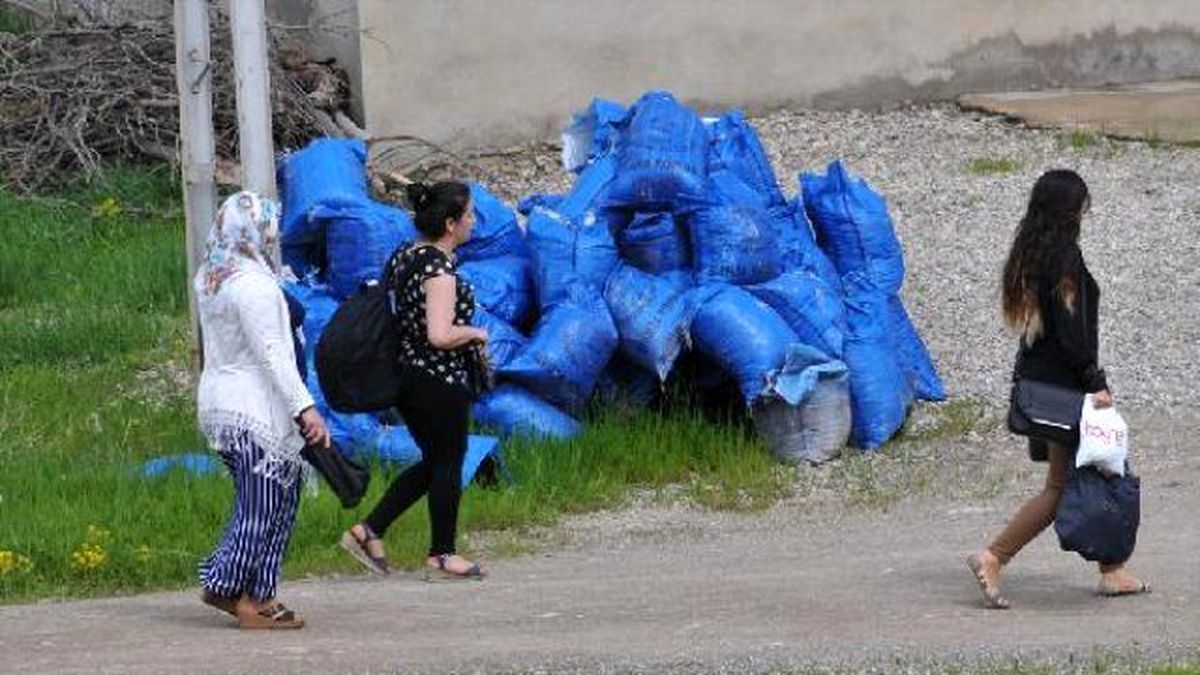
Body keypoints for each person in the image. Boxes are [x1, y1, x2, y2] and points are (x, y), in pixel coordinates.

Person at [967, 169, 1148, 609]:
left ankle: (1112, 568)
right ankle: (994, 556)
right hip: (1066, 390)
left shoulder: (1030, 254)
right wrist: (1096, 382)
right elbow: (1071, 333)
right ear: (1071, 209)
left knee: (1101, 469)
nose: (1087, 212)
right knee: (1072, 482)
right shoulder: (1064, 258)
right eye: (1084, 204)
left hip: (1042, 383)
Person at [339, 180, 488, 581]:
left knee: (435, 462)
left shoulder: (407, 254)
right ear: (451, 223)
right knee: (449, 461)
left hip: (406, 376)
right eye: (470, 214)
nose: (475, 221)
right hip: (437, 380)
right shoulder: (439, 268)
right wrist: (475, 333)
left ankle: (368, 530)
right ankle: (442, 554)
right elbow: (440, 334)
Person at [195, 191, 331, 629]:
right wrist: (306, 408)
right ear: (252, 232)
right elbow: (273, 354)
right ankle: (226, 584)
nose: (273, 237)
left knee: (279, 496)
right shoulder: (251, 285)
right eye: (268, 228)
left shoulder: (213, 276)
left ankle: (261, 592)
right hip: (251, 407)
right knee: (262, 503)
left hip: (224, 399)